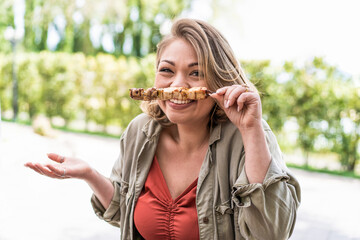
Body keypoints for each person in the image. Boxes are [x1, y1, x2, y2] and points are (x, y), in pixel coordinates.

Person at [25, 18, 301, 240]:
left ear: (219, 81)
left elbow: (271, 234)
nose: (177, 85)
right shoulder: (140, 131)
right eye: (167, 70)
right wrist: (89, 174)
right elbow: (124, 212)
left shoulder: (248, 135)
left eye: (196, 73)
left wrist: (251, 129)